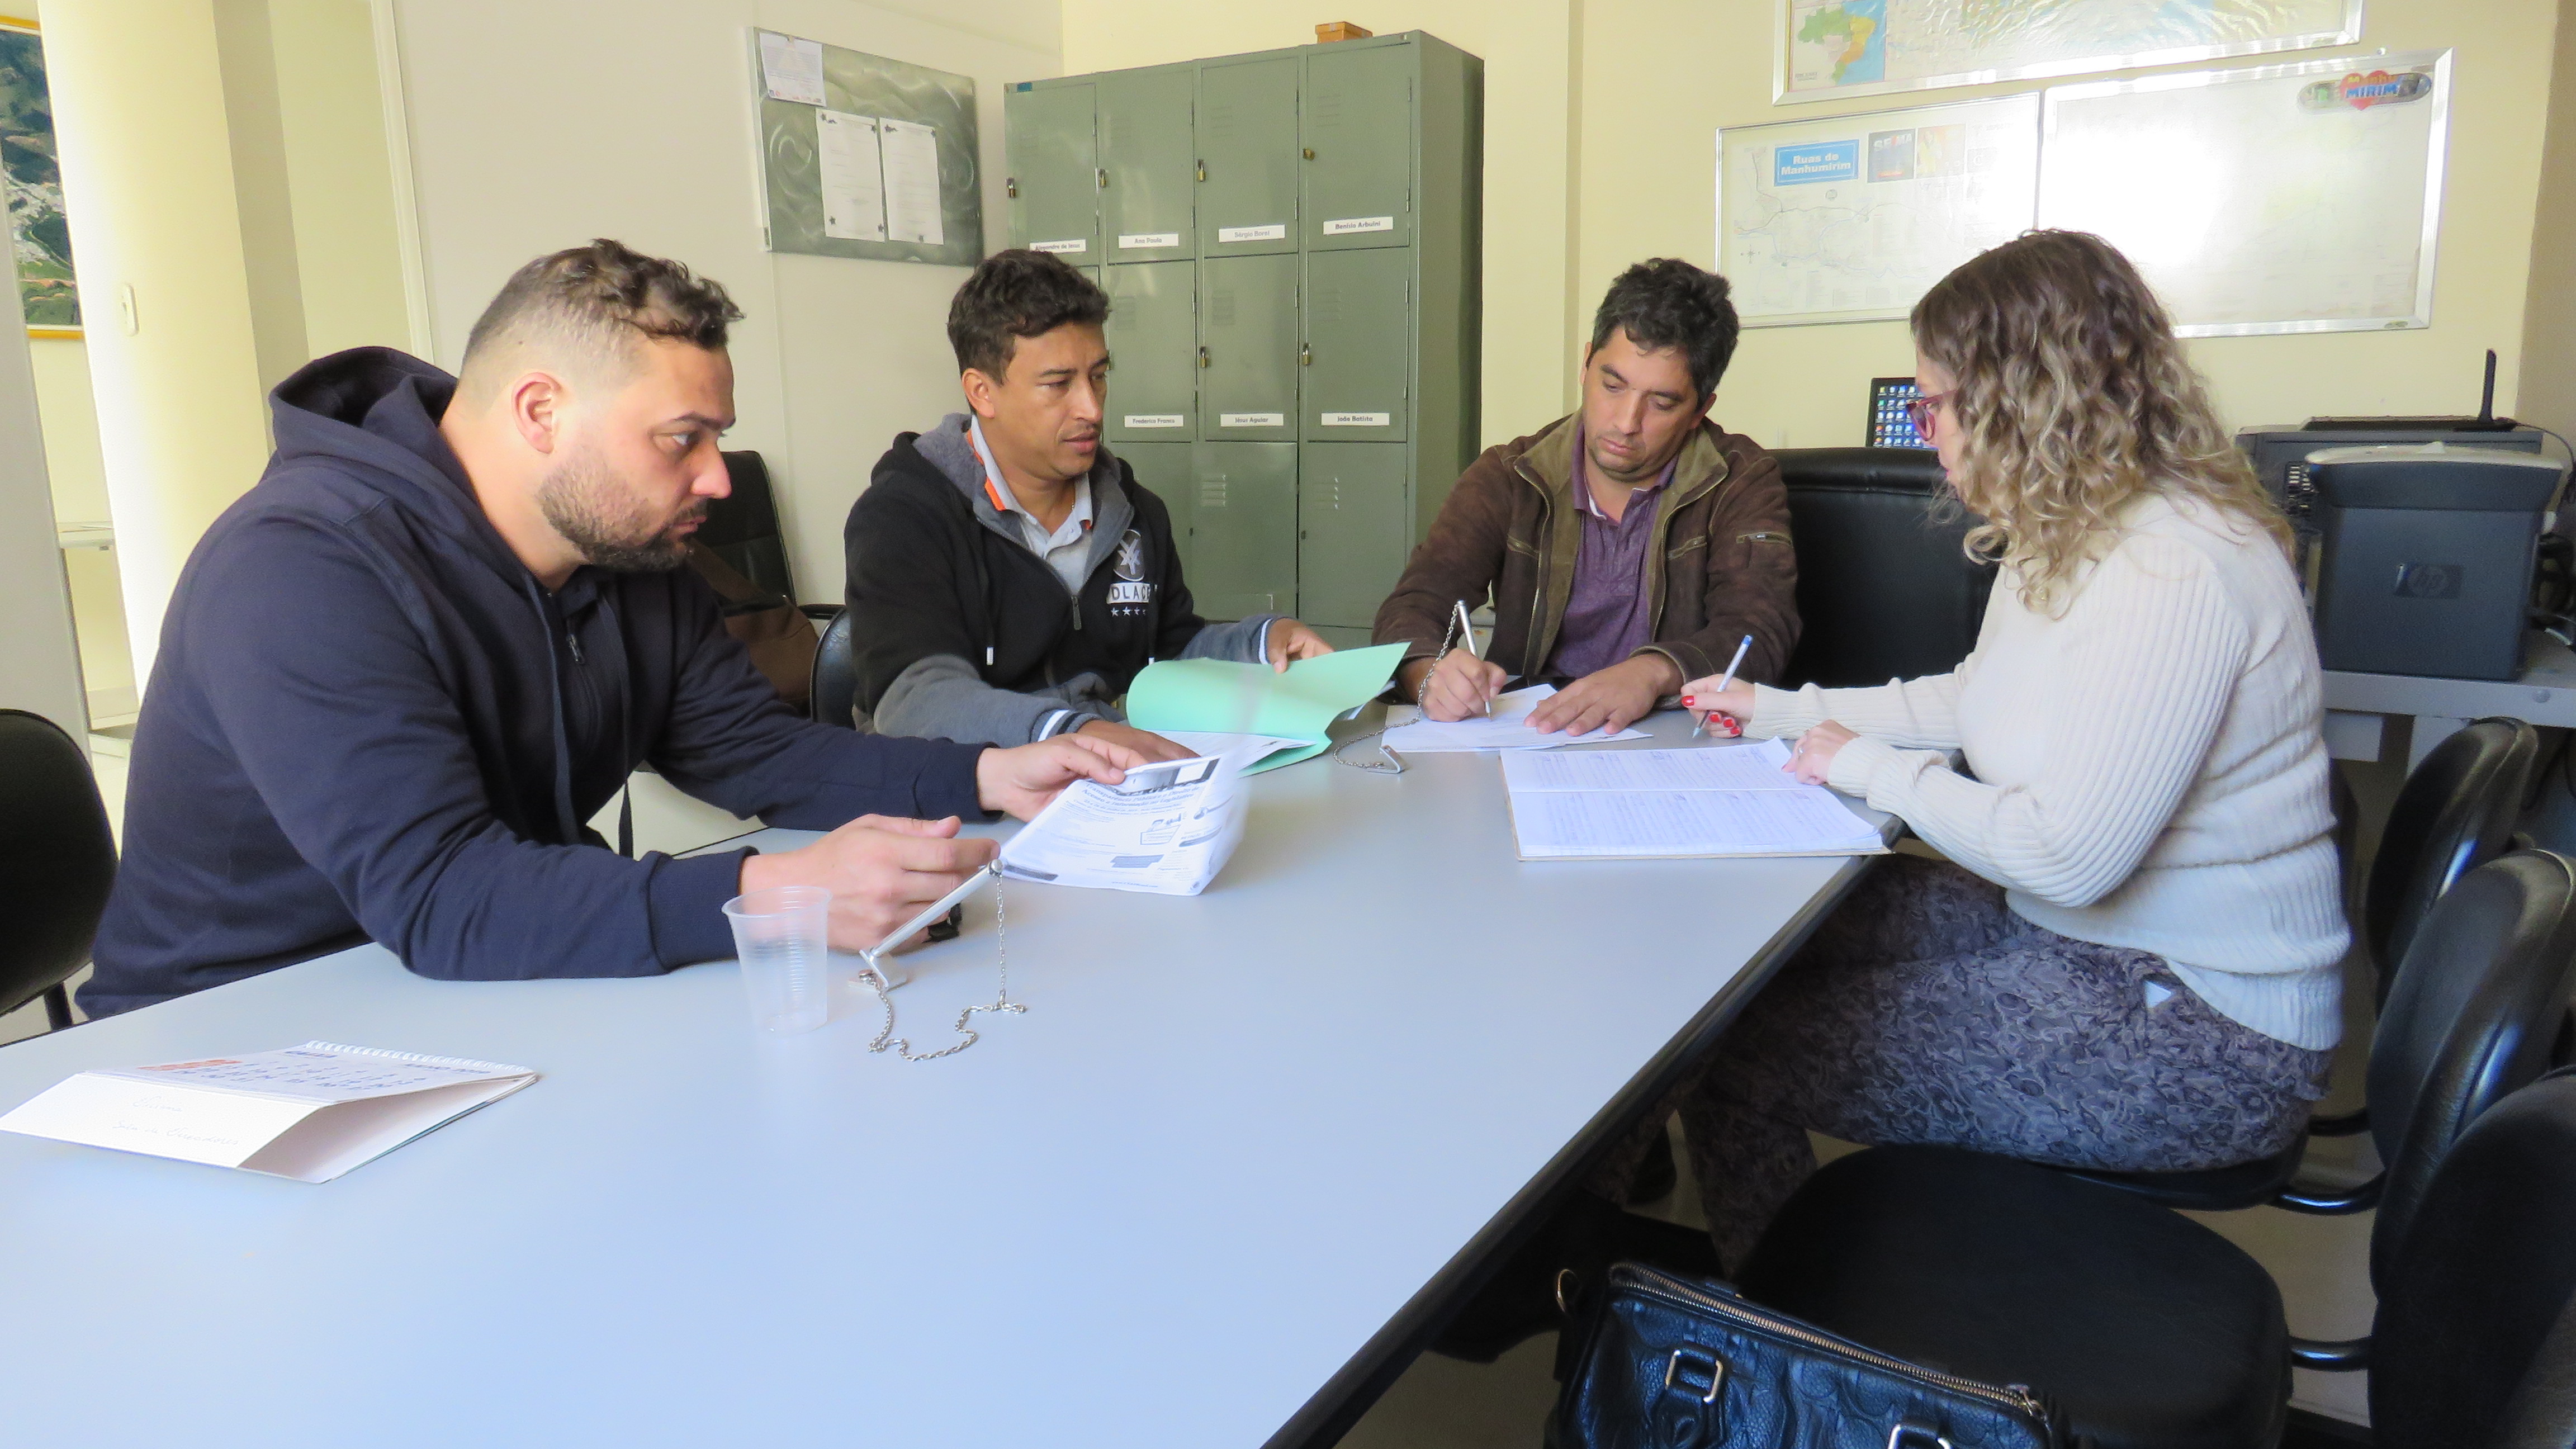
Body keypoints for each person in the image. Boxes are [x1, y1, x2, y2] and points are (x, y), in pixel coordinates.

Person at [82, 239, 1142, 1017]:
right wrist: (770, 889)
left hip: (476, 986)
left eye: (717, 439)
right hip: (229, 1030)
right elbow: (444, 892)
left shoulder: (627, 549)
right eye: (681, 440)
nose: (717, 479)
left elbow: (756, 751)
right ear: (541, 412)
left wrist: (991, 774)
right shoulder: (299, 569)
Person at [1673, 230, 2346, 1267]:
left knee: (1734, 1055)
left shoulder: (2171, 565)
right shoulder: (2070, 526)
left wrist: (1858, 762)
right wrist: (1777, 711)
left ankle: (1791, 1355)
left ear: (2020, 398)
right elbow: (1977, 697)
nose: (1922, 428)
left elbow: (2064, 854)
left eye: (1932, 402)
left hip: (2200, 1021)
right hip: (2091, 942)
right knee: (1781, 940)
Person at [844, 249, 1333, 764]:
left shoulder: (1134, 511)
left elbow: (1165, 652)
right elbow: (915, 701)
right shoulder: (903, 517)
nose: (1092, 408)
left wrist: (1261, 643)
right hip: (965, 796)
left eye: (1098, 375)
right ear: (982, 392)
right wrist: (1072, 732)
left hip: (1109, 781)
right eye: (1058, 384)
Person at [1372, 258, 1797, 737]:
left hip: (1670, 741)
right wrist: (1427, 673)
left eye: (1661, 403)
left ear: (1701, 408)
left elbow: (1759, 630)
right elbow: (1416, 602)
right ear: (1586, 362)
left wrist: (1652, 672)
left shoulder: (1739, 480)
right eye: (1612, 386)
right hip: (1526, 735)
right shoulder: (1510, 475)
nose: (1625, 421)